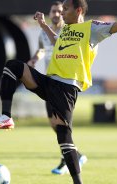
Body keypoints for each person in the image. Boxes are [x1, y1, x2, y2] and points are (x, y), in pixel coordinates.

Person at [0, 0, 117, 183]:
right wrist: (43, 25)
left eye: (66, 9)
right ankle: (6, 116)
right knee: (13, 67)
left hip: (66, 88)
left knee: (63, 135)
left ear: (79, 10)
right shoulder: (65, 29)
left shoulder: (92, 28)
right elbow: (58, 42)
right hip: (49, 81)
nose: (62, 13)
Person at [27, 1, 87, 175]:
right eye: (54, 11)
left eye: (60, 11)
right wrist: (34, 59)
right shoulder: (44, 33)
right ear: (50, 12)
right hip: (49, 81)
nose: (56, 14)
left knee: (61, 125)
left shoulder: (69, 30)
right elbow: (42, 50)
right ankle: (75, 154)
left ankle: (69, 158)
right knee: (54, 125)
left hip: (64, 83)